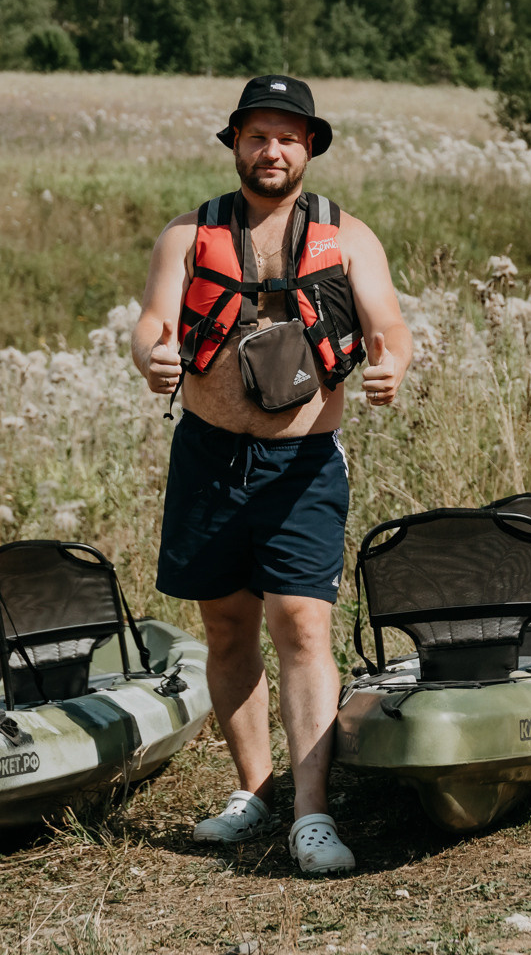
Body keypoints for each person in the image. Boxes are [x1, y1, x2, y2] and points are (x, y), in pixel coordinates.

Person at [132, 75, 411, 877]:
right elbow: (152, 321)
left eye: (288, 136)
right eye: (258, 135)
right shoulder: (188, 235)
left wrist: (391, 365)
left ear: (310, 146)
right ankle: (251, 790)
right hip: (209, 455)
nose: (273, 150)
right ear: (236, 144)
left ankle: (312, 812)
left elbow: (391, 329)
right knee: (225, 622)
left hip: (304, 464)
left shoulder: (350, 237)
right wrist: (150, 354)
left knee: (301, 623)